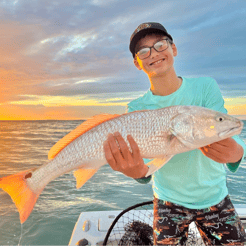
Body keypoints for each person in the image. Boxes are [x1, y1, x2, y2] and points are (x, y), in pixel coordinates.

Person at [103, 22, 246, 245]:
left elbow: (226, 129)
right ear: (137, 63)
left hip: (215, 196)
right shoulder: (136, 109)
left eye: (160, 44)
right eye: (143, 51)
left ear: (174, 49)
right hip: (168, 201)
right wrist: (138, 172)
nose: (154, 53)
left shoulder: (205, 87)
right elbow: (147, 165)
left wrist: (236, 152)